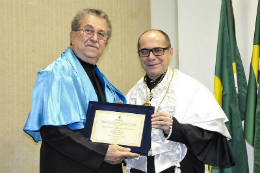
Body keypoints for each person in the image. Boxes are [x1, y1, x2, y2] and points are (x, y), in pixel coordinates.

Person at [23, 8, 138, 173]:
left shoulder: (102, 81)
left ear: (106, 43)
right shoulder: (54, 74)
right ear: (72, 35)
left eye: (101, 34)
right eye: (88, 31)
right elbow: (53, 130)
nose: (94, 38)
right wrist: (101, 153)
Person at [125, 30, 235, 173]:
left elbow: (213, 139)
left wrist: (175, 128)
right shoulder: (132, 93)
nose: (151, 57)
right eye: (145, 51)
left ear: (170, 52)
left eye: (158, 50)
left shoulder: (192, 88)